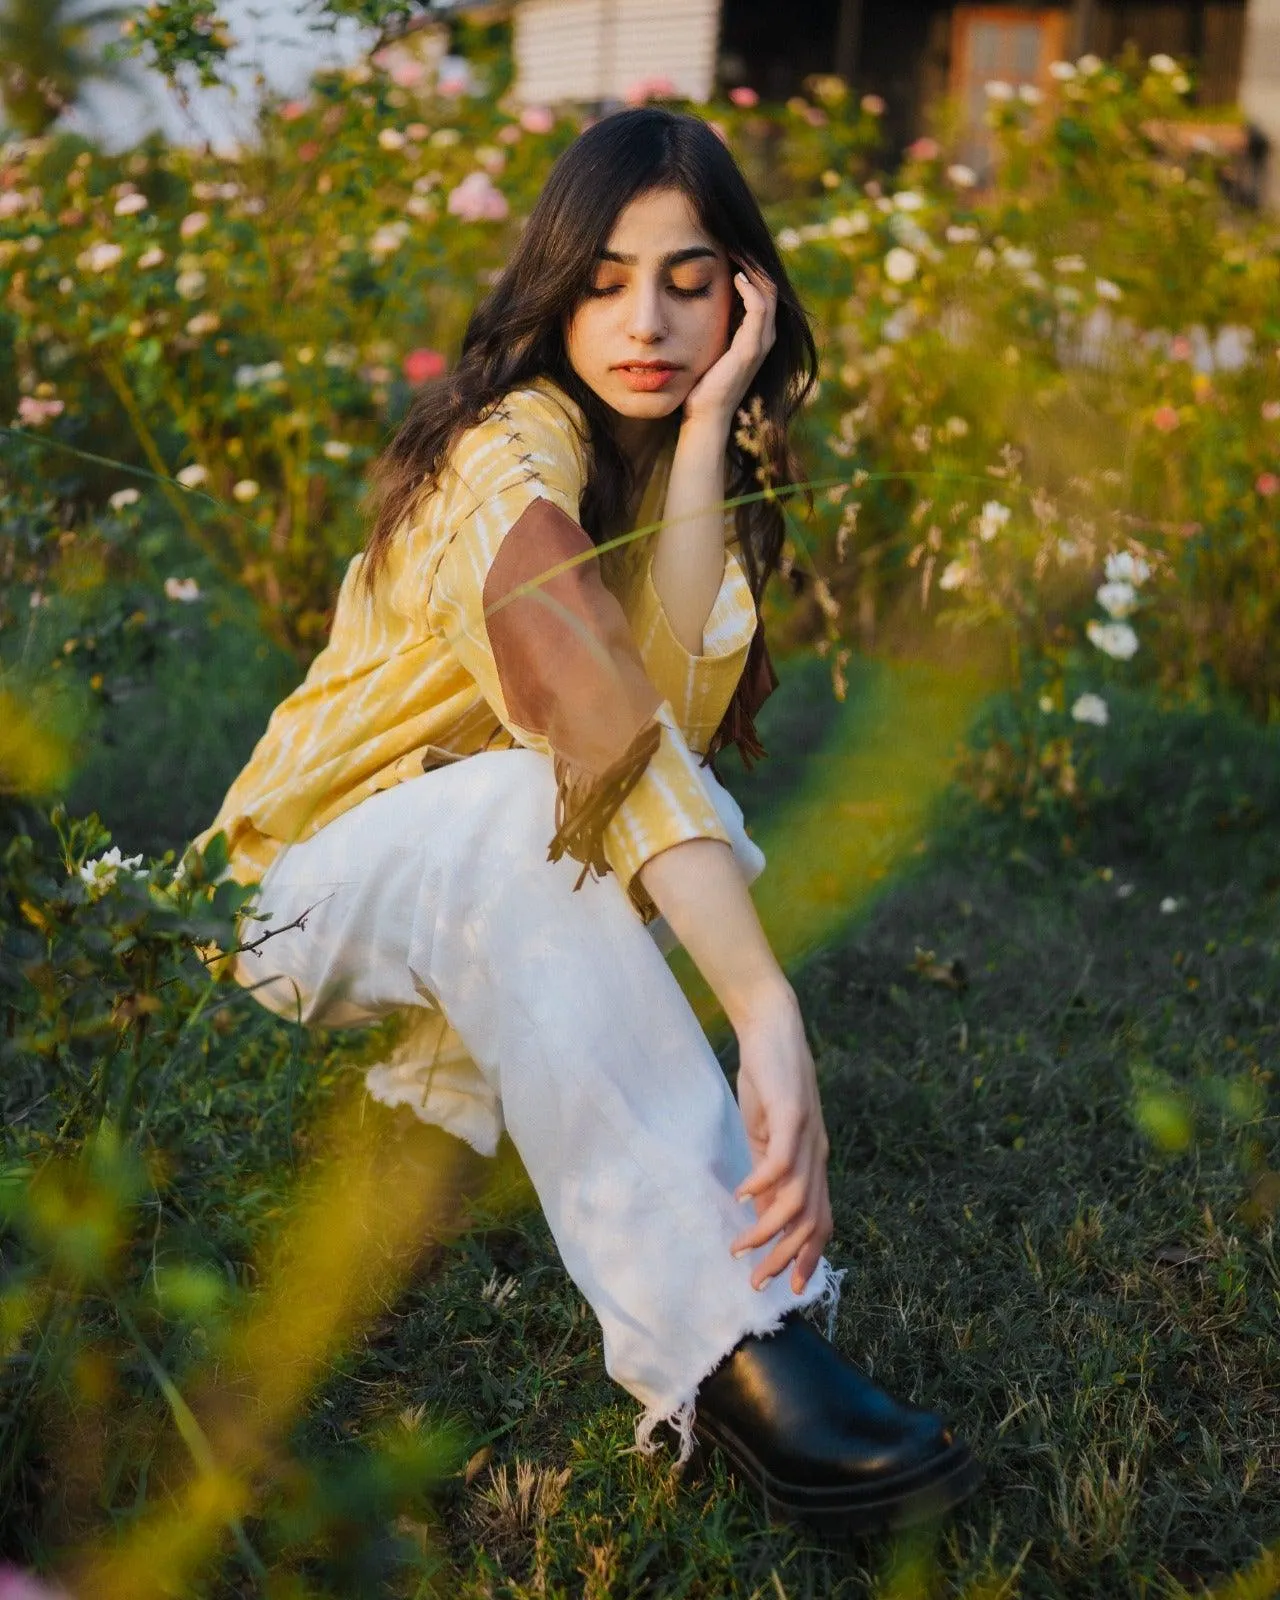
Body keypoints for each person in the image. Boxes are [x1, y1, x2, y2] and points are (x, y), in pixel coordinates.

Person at [195, 107, 979, 1535]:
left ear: (744, 289)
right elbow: (596, 712)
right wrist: (763, 1005)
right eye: (606, 277)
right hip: (298, 902)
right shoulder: (497, 460)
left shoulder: (657, 454)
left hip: (476, 903)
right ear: (553, 284)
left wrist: (700, 441)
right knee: (518, 796)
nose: (646, 317)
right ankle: (738, 1344)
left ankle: (715, 1297)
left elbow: (666, 706)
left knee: (588, 798)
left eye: (690, 279)